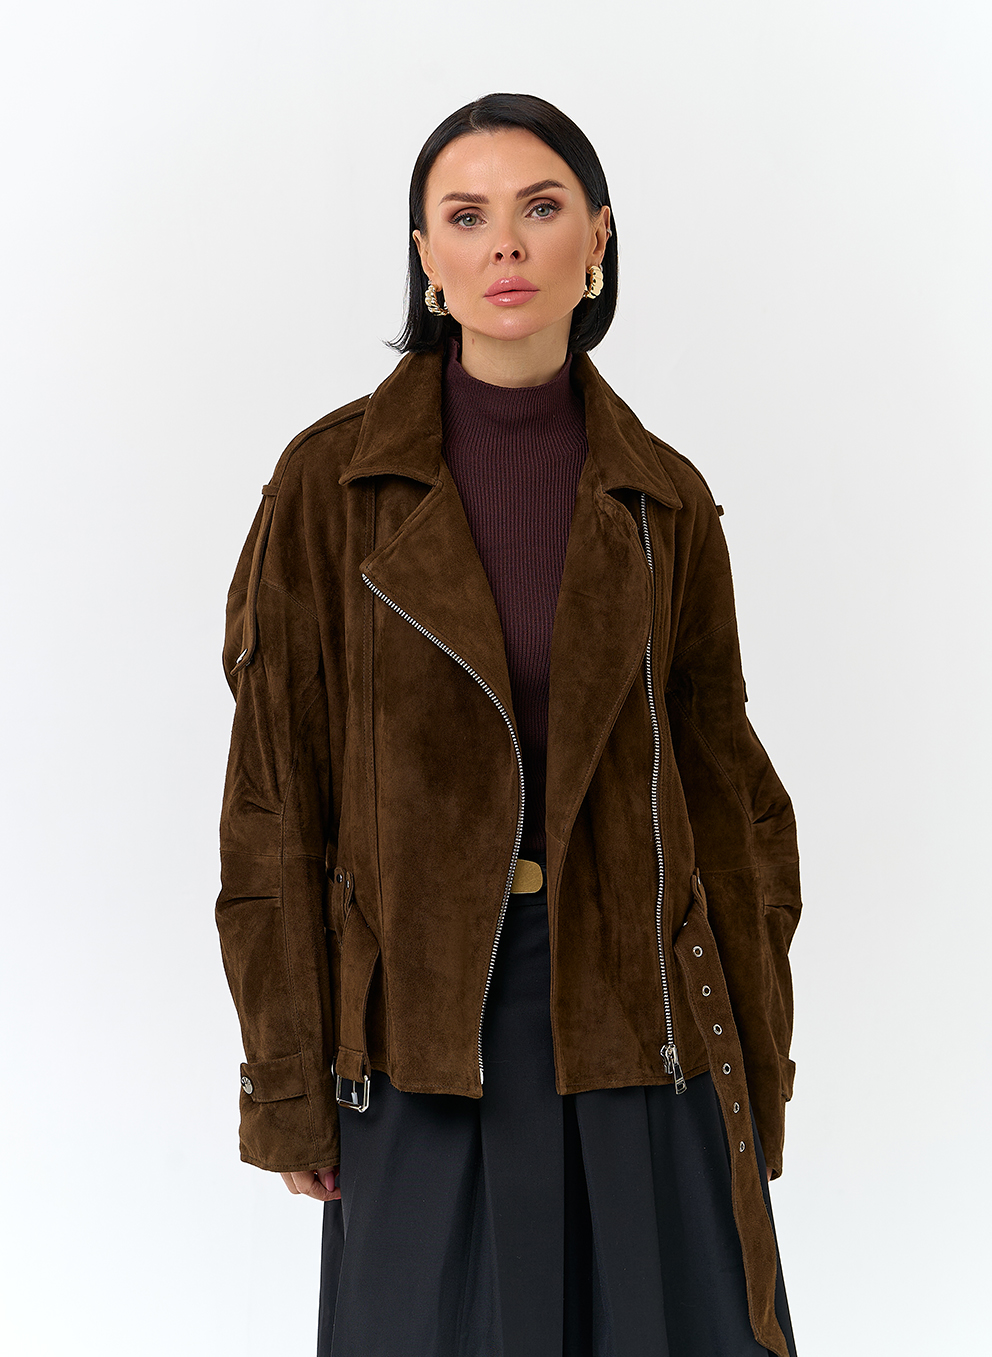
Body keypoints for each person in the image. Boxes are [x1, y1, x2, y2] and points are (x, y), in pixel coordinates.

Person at [216, 92, 803, 1357]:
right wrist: (289, 1085)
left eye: (539, 208)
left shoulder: (663, 500)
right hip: (416, 1042)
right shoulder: (329, 487)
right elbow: (272, 804)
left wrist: (755, 1065)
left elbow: (732, 807)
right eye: (465, 215)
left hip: (638, 1032)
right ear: (424, 257)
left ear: (596, 239)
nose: (505, 245)